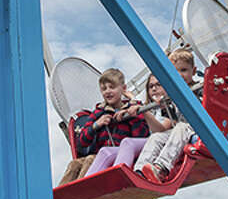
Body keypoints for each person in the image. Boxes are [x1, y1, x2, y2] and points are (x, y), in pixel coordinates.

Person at [135, 49, 201, 183]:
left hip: (199, 128)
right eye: (175, 71)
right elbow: (173, 119)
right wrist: (164, 106)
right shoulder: (172, 94)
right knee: (157, 137)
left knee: (182, 127)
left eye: (184, 70)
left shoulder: (198, 88)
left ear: (193, 71)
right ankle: (140, 170)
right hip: (181, 130)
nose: (180, 75)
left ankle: (162, 168)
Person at [80, 68, 150, 177]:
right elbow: (82, 141)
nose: (107, 91)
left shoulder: (133, 108)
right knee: (74, 165)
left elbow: (141, 135)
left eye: (112, 87)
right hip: (101, 156)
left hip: (122, 155)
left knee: (90, 160)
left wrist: (130, 116)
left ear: (123, 88)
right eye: (104, 89)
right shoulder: (99, 112)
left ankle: (83, 190)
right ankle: (60, 194)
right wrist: (95, 125)